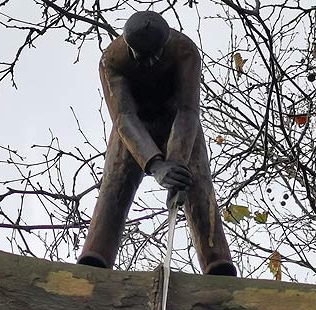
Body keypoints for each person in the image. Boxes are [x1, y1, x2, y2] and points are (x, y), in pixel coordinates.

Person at [77, 11, 236, 276]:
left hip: (179, 120)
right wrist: (155, 165)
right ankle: (96, 256)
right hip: (134, 124)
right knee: (116, 180)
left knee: (196, 179)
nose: (150, 63)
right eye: (142, 57)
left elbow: (188, 112)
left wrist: (176, 162)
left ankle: (216, 260)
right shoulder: (111, 61)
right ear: (129, 47)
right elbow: (124, 117)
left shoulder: (185, 51)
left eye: (156, 56)